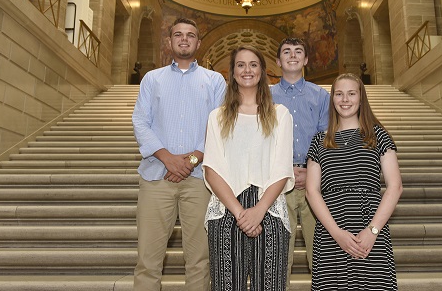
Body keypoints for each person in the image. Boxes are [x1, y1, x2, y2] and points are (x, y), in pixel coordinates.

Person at [131, 18, 226, 291]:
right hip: (155, 177)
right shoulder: (152, 79)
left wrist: (192, 159)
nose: (184, 39)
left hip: (199, 180)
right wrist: (167, 158)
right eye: (178, 35)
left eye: (190, 35)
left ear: (199, 42)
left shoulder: (215, 81)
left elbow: (219, 125)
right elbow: (140, 121)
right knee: (148, 260)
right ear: (169, 41)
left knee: (199, 260)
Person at [202, 45, 295, 290]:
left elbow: (282, 168)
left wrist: (258, 211)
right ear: (232, 73)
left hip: (270, 209)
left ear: (263, 71)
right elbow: (211, 169)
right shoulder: (217, 116)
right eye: (240, 65)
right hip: (226, 208)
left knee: (271, 285)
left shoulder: (280, 115)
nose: (247, 70)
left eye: (253, 64)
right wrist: (240, 213)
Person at [305, 73, 403, 290]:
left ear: (361, 98)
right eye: (339, 94)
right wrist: (337, 234)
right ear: (332, 100)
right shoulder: (319, 140)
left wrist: (373, 231)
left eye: (351, 93)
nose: (345, 100)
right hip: (331, 228)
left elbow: (394, 187)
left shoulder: (377, 135)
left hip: (369, 228)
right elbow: (312, 191)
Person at [270, 37, 330, 287]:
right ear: (278, 61)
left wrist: (311, 172)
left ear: (305, 59)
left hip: (314, 184)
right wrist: (285, 171)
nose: (292, 55)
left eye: (298, 51)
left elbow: (327, 138)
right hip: (278, 184)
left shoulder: (321, 96)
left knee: (321, 255)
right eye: (286, 51)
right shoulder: (266, 94)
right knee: (279, 257)